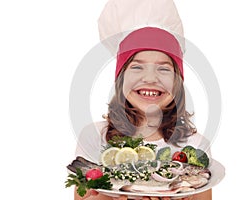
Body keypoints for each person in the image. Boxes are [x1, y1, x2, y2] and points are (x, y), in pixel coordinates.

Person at [74, 27, 212, 200]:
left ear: (177, 84)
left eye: (163, 69)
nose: (150, 78)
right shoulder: (93, 136)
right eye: (137, 67)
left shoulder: (198, 144)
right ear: (121, 79)